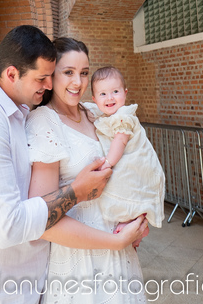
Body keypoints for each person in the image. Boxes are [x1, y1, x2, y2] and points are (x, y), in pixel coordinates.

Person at [0, 26, 139, 304]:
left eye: (83, 72)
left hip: (28, 283)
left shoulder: (20, 110)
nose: (48, 85)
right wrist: (77, 192)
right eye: (44, 77)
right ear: (12, 74)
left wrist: (136, 216)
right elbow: (8, 225)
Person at [27, 39, 150, 304]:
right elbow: (41, 220)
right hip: (80, 258)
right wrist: (113, 242)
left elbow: (133, 163)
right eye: (68, 72)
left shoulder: (96, 112)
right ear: (51, 75)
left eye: (84, 73)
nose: (78, 82)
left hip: (121, 247)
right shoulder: (44, 122)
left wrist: (139, 215)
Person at [84, 66, 165, 229]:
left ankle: (131, 222)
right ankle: (132, 222)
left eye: (115, 91)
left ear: (125, 92)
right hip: (128, 165)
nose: (109, 98)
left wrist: (108, 162)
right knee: (124, 188)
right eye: (103, 94)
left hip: (135, 163)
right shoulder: (107, 116)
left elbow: (120, 141)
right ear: (94, 98)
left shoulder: (123, 116)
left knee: (126, 186)